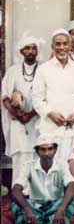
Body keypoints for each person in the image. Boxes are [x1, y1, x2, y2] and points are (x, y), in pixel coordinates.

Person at [11, 135, 74, 224]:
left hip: (55, 206)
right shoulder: (28, 165)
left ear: (55, 150)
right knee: (17, 205)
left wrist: (62, 208)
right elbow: (16, 189)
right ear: (37, 151)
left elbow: (72, 185)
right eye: (43, 149)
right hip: (35, 205)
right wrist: (27, 208)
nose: (47, 153)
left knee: (71, 203)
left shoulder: (62, 163)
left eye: (50, 149)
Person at [32, 29, 74, 160]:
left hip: (71, 128)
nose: (61, 47)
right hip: (49, 128)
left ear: (70, 45)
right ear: (52, 47)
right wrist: (50, 113)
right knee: (51, 167)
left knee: (70, 165)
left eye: (64, 44)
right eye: (58, 44)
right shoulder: (43, 69)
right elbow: (37, 99)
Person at [2, 35, 42, 184]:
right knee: (19, 157)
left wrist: (30, 115)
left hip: (37, 120)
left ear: (37, 50)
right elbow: (4, 96)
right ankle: (18, 194)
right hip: (18, 122)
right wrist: (15, 113)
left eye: (33, 48)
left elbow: (47, 98)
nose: (30, 51)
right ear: (21, 51)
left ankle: (33, 194)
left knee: (36, 155)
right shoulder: (13, 70)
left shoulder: (44, 69)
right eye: (27, 48)